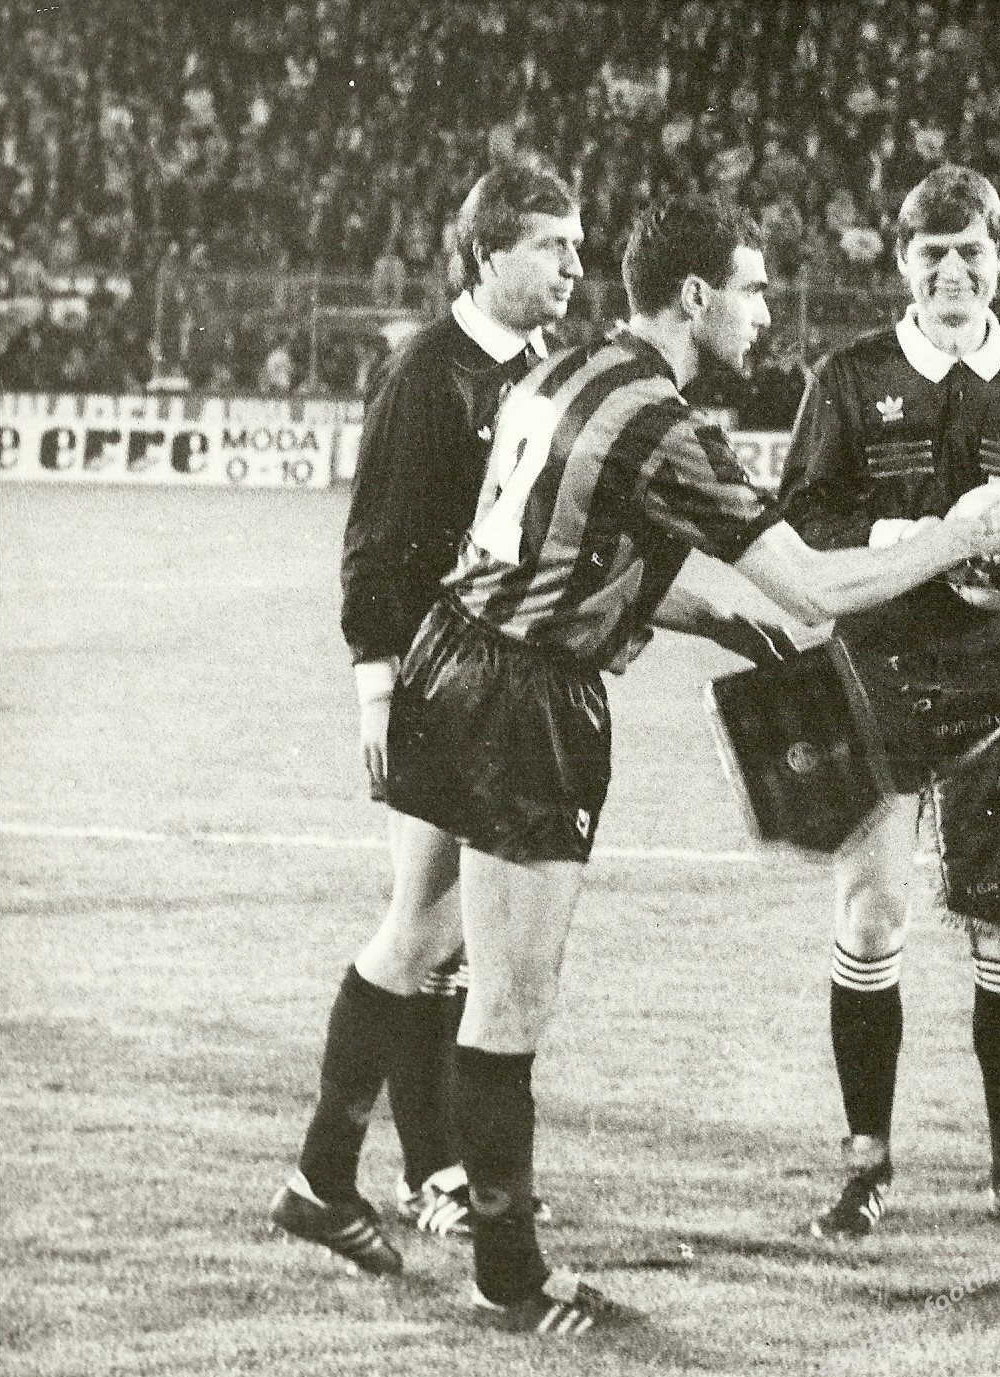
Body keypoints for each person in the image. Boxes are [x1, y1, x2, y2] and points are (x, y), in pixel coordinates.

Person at [295, 193, 1000, 1335]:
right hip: (526, 701)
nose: (763, 313)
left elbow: (587, 544)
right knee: (511, 995)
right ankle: (510, 1273)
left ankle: (321, 1176)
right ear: (696, 298)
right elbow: (820, 588)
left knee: (416, 937)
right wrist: (963, 532)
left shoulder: (565, 367)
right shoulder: (663, 424)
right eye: (751, 290)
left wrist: (725, 623)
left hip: (452, 657)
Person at [778, 165, 1000, 1242]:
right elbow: (802, 520)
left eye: (971, 252)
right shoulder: (850, 375)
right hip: (876, 666)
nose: (951, 273)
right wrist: (919, 542)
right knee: (869, 915)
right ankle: (866, 1166)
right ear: (902, 261)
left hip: (998, 673)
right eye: (931, 254)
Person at [270, 159, 584, 1273]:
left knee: (441, 933)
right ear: (488, 253)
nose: (573, 267)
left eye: (576, 246)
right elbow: (375, 544)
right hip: (436, 679)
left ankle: (379, 1174)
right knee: (427, 926)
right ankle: (401, 1175)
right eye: (551, 246)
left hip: (494, 682)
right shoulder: (426, 372)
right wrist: (378, 689)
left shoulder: (542, 368)